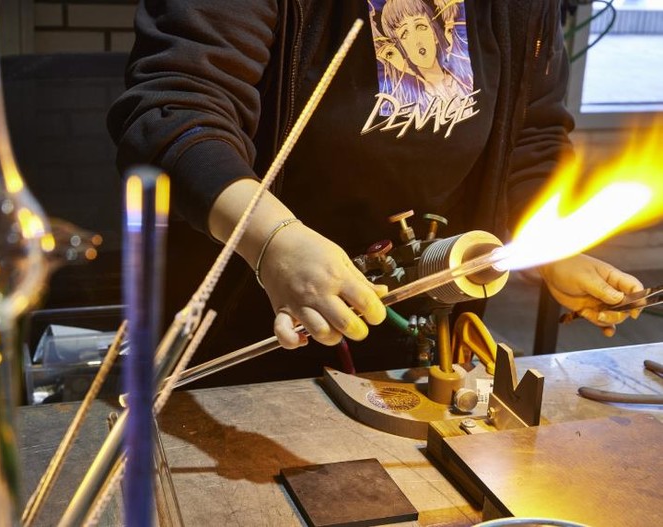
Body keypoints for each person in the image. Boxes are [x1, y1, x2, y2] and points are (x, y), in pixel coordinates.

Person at [107, 0, 642, 387]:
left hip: (424, 331)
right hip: (246, 328)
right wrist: (273, 241)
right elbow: (173, 115)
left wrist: (553, 247)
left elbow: (533, 135)